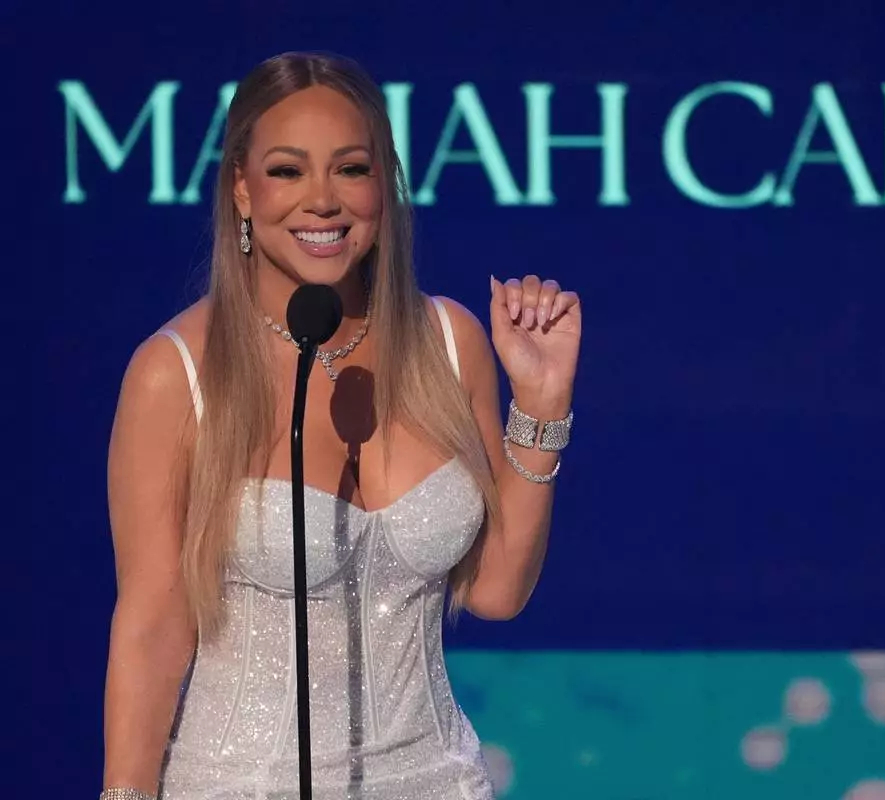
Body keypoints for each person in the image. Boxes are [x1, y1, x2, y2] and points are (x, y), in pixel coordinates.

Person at [100, 51, 581, 800]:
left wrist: (542, 406)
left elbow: (496, 590)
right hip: (241, 784)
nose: (322, 200)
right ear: (242, 192)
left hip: (438, 781)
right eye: (288, 171)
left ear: (384, 188)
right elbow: (153, 625)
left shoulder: (449, 344)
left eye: (351, 170)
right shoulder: (176, 374)